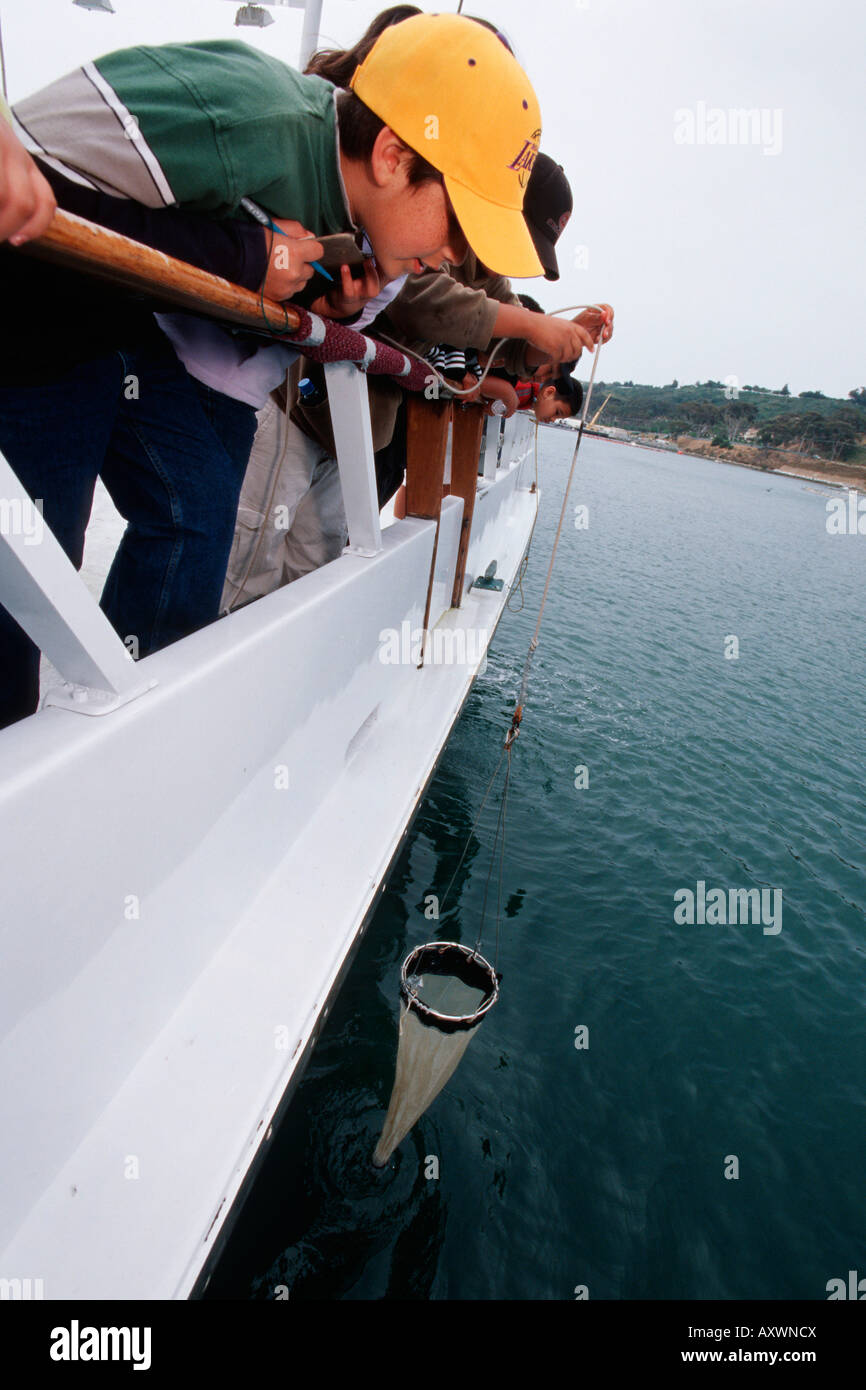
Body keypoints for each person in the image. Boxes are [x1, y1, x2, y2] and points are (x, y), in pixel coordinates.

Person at [0, 12, 547, 727]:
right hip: (33, 317)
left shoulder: (348, 201)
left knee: (197, 506)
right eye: (458, 226)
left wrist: (324, 300)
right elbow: (32, 190)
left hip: (117, 326)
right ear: (390, 156)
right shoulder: (240, 111)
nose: (454, 257)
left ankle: (131, 728)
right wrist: (250, 256)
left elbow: (217, 266)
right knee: (31, 573)